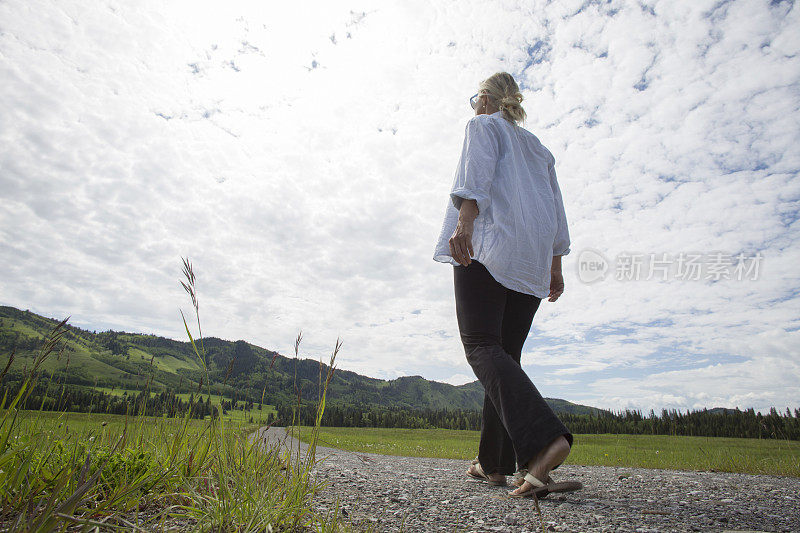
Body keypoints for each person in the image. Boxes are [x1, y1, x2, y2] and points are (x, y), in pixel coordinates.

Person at [432, 72, 582, 498]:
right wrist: (555, 266)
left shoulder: (482, 126)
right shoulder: (540, 150)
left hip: (490, 247)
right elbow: (557, 212)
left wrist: (463, 225)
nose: (473, 107)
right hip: (531, 259)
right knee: (506, 358)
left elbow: (474, 181)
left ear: (484, 98)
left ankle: (542, 443)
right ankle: (493, 463)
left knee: (480, 345)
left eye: (474, 99)